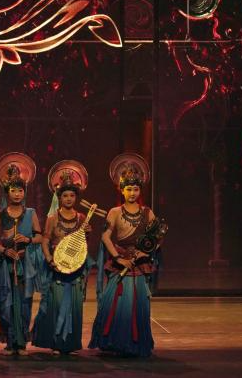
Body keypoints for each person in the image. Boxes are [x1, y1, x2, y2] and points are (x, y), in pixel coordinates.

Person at [90, 153, 162, 358]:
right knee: (114, 303)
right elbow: (105, 237)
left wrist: (145, 252)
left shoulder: (147, 213)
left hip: (139, 264)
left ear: (140, 190)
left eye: (135, 189)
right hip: (121, 264)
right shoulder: (114, 212)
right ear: (121, 189)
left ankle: (136, 344)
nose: (132, 193)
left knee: (139, 305)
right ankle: (114, 342)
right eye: (128, 189)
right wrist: (118, 258)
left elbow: (158, 237)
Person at [0, 152, 44, 356]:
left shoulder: (31, 213)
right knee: (5, 303)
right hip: (5, 264)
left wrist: (28, 240)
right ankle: (10, 341)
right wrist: (4, 250)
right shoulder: (0, 214)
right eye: (13, 190)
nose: (17, 194)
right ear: (7, 192)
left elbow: (40, 237)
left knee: (24, 303)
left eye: (20, 190)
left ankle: (21, 342)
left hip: (24, 264)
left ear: (24, 192)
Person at [31, 160, 92, 355]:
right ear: (59, 197)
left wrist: (87, 234)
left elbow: (83, 245)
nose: (68, 199)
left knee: (74, 305)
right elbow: (45, 240)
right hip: (56, 268)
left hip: (75, 269)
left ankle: (70, 343)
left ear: (76, 197)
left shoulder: (82, 218)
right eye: (65, 195)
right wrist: (50, 260)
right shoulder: (53, 218)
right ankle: (56, 342)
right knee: (55, 305)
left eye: (72, 195)